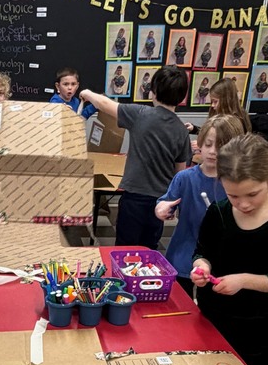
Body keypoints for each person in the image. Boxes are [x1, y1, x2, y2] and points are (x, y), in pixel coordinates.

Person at [190, 133, 268, 365]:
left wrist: (243, 280)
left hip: (254, 327)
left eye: (252, 194)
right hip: (211, 316)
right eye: (233, 196)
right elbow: (202, 251)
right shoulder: (217, 212)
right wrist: (201, 267)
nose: (243, 204)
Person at [81, 67, 191, 249]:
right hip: (160, 201)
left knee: (125, 248)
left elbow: (105, 104)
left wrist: (87, 93)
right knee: (149, 249)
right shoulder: (181, 130)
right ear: (182, 96)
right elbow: (180, 173)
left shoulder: (140, 114)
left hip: (134, 198)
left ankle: (124, 277)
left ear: (153, 91)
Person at [155, 114, 244, 295]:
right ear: (200, 145)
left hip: (220, 259)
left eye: (220, 146)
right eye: (208, 144)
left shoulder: (237, 182)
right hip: (183, 253)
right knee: (179, 305)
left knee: (211, 310)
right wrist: (161, 209)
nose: (212, 151)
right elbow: (164, 202)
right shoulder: (185, 177)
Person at [185, 77, 252, 135]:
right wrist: (194, 129)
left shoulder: (236, 121)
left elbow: (225, 143)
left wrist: (204, 145)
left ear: (227, 100)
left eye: (215, 101)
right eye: (212, 101)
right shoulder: (219, 113)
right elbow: (213, 134)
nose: (212, 105)